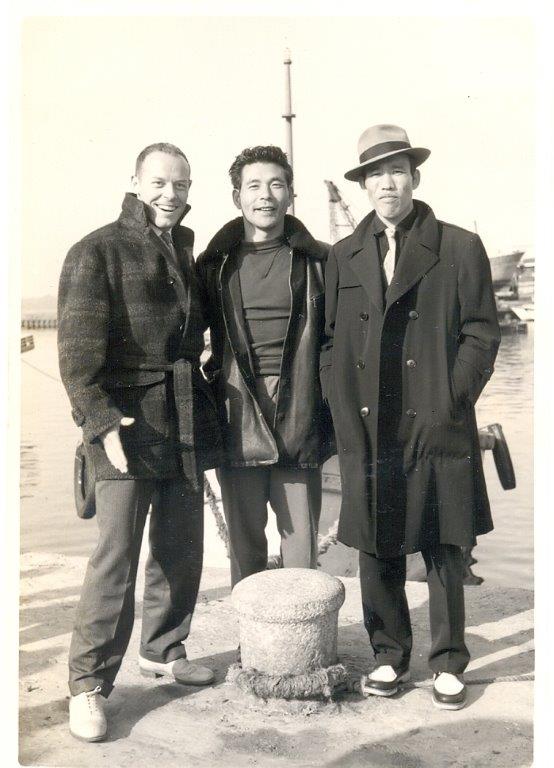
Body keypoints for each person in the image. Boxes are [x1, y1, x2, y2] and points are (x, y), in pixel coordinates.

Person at [320, 124, 500, 710]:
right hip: (368, 420)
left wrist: (451, 397)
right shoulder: (344, 255)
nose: (386, 183)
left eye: (396, 171)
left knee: (445, 542)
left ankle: (448, 661)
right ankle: (388, 654)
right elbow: (330, 340)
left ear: (415, 177)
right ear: (364, 185)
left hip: (435, 417)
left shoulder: (458, 246)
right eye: (375, 174)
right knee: (377, 540)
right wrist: (339, 400)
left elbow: (481, 332)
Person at [58, 143, 222, 742]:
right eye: (158, 183)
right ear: (134, 181)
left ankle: (163, 648)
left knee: (180, 545)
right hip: (124, 427)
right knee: (116, 556)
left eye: (181, 184)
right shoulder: (96, 250)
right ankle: (88, 684)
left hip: (182, 419)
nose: (170, 195)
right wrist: (101, 425)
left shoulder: (185, 249)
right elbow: (77, 357)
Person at [196, 145, 334, 589]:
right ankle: (251, 627)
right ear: (236, 196)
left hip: (300, 410)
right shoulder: (213, 266)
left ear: (291, 193)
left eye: (276, 184)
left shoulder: (320, 261)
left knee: (301, 548)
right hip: (238, 412)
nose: (265, 195)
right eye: (253, 185)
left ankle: (304, 628)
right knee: (245, 547)